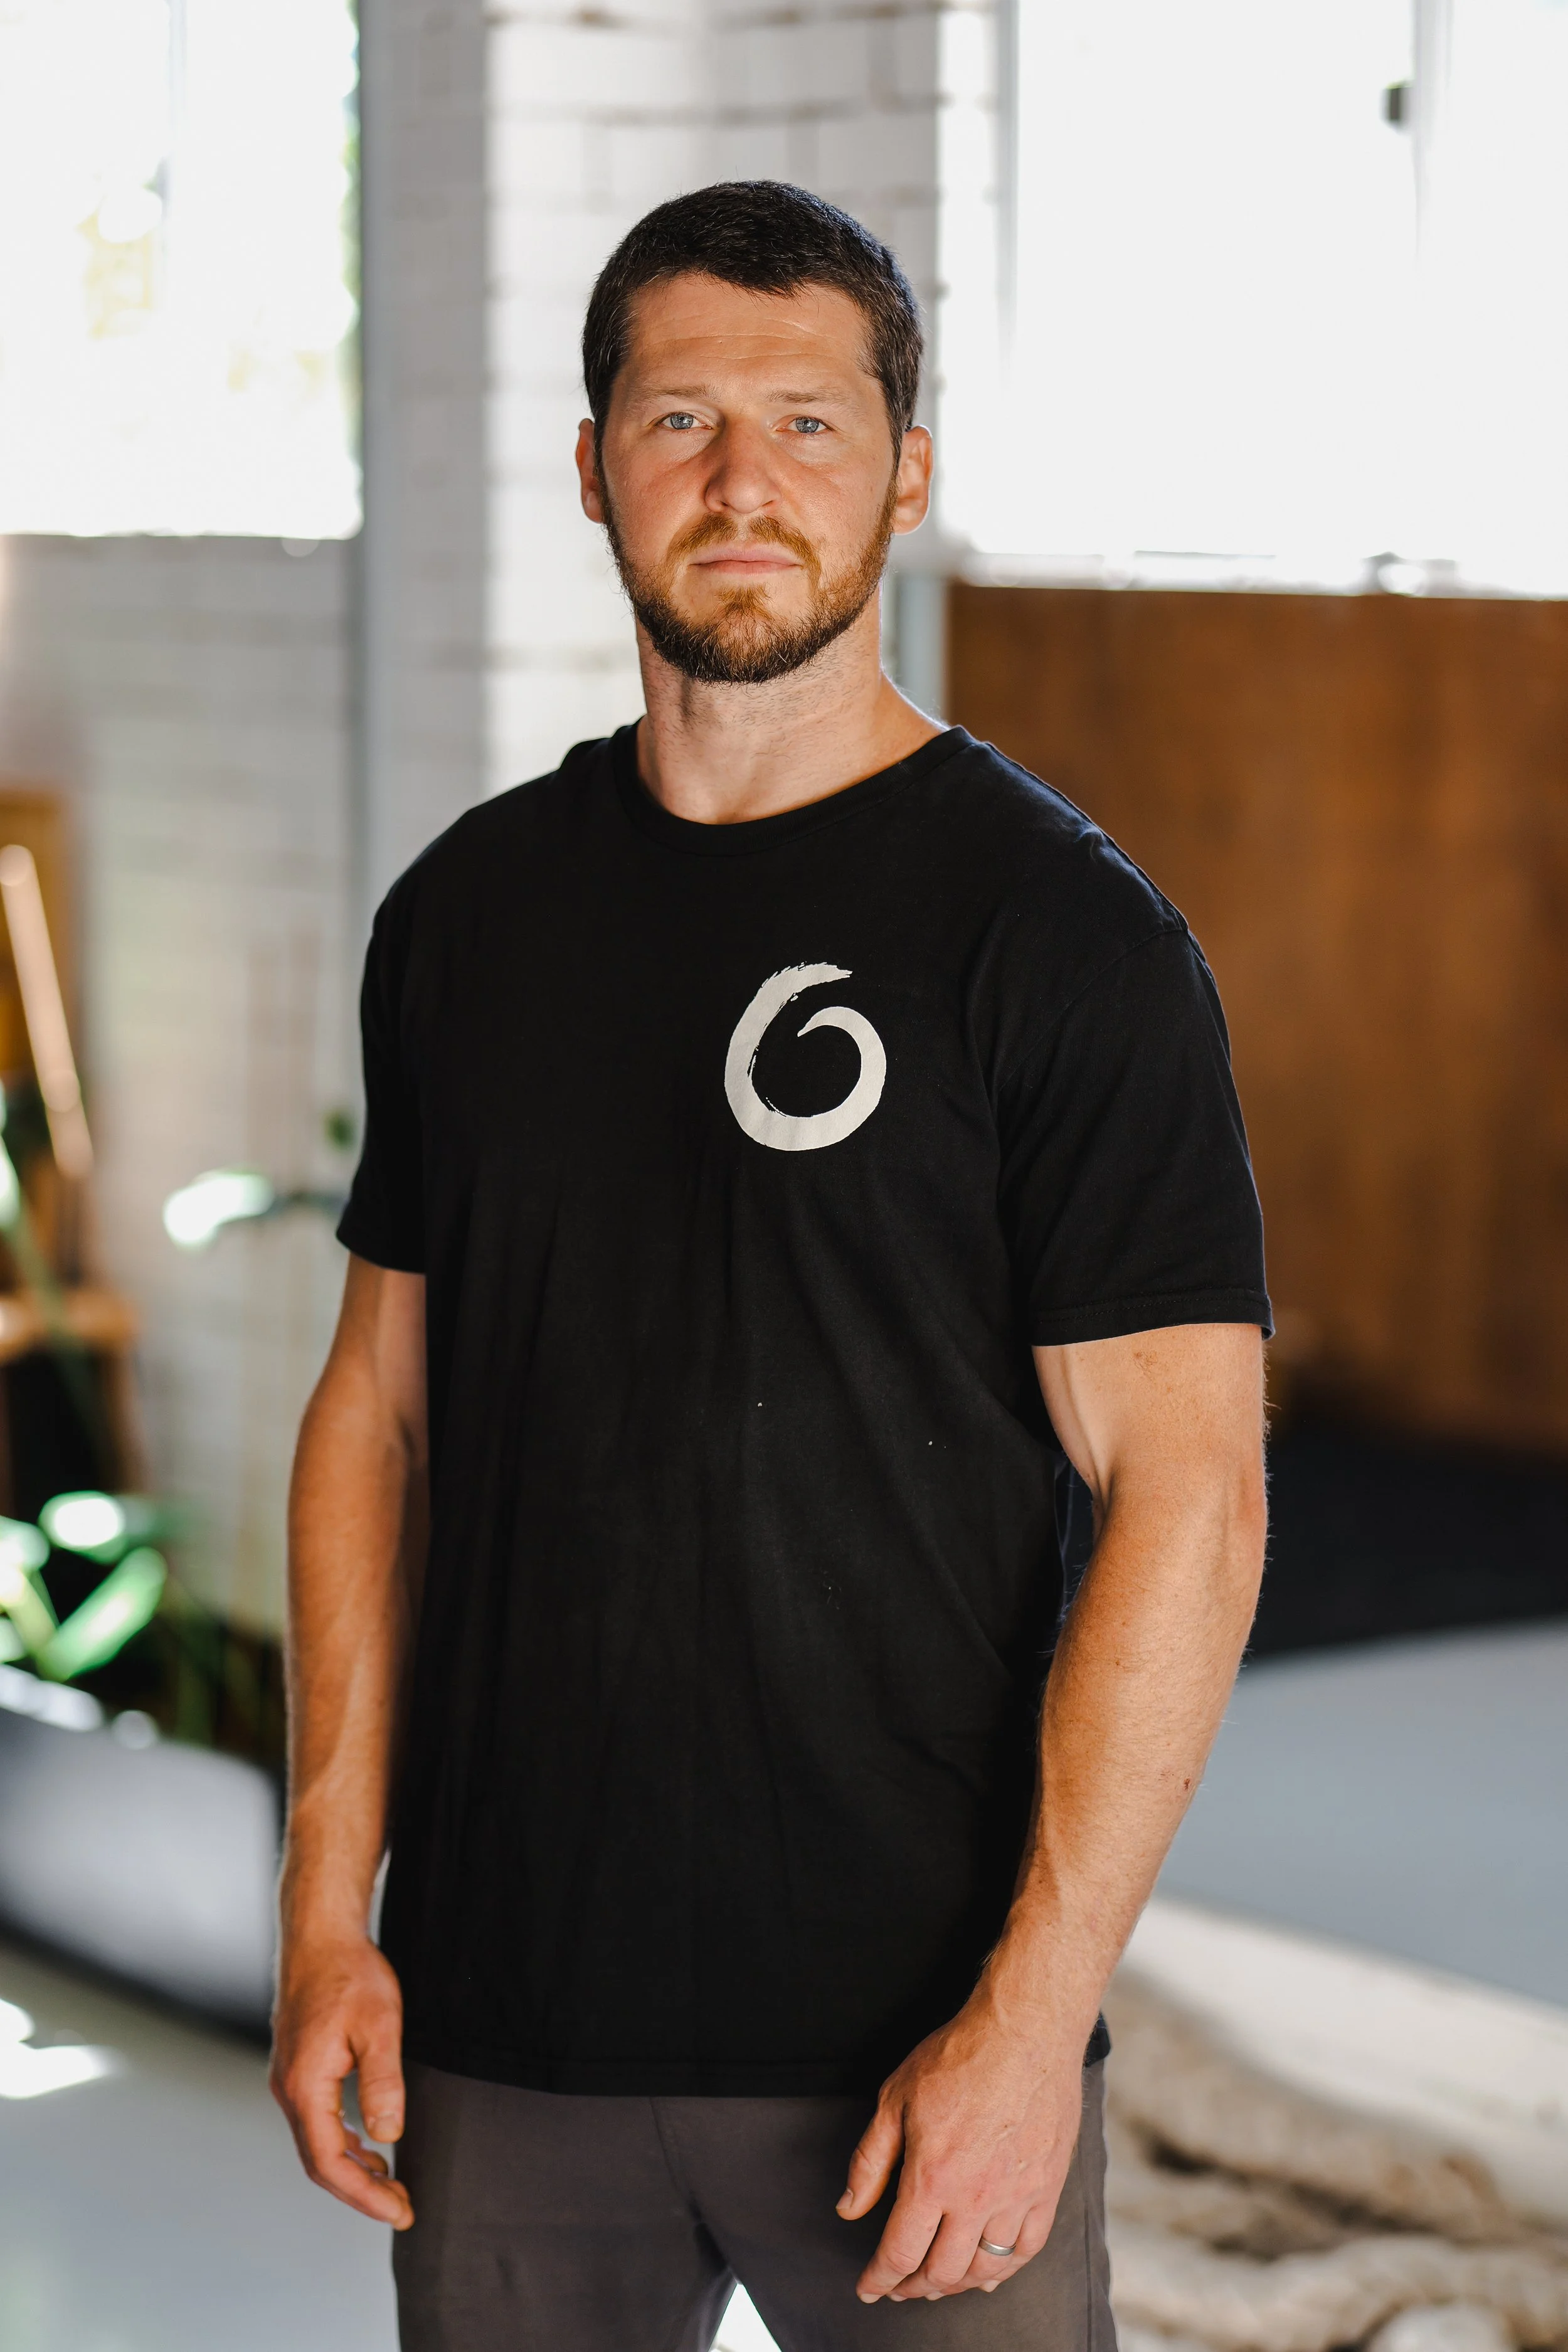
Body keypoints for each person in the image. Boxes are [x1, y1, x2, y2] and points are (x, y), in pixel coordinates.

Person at [270, 180, 1270, 2352]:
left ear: (904, 472)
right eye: (680, 420)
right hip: (506, 2008)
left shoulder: (1064, 940)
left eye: (809, 423)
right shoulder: (468, 914)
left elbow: (1189, 1499)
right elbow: (377, 1417)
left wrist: (1033, 2014)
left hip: (914, 2037)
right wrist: (325, 1902)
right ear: (592, 466)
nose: (742, 484)